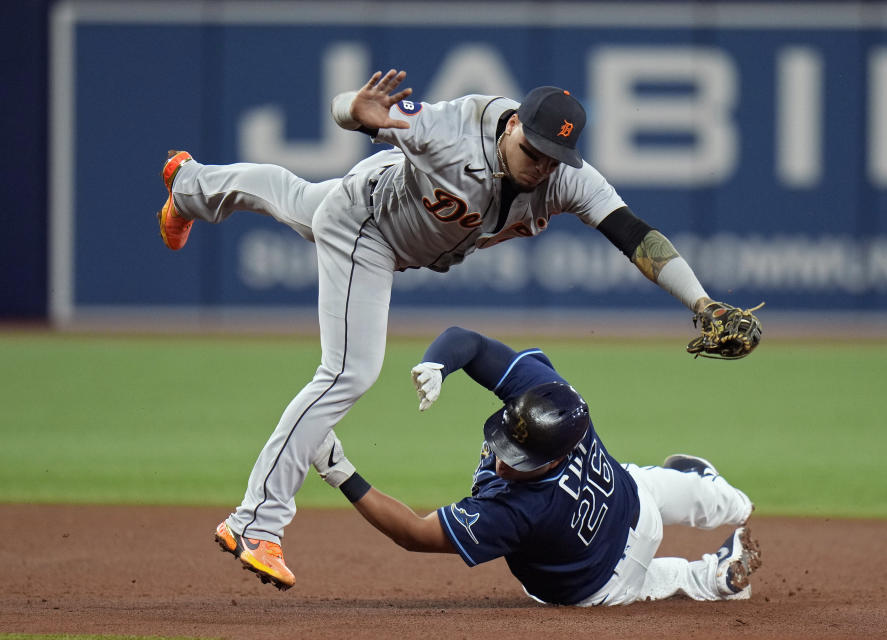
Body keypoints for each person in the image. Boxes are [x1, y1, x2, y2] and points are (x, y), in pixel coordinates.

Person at [157, 69, 746, 590]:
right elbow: (354, 110)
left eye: (552, 159)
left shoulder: (565, 179)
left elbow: (634, 234)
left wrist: (701, 302)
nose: (540, 166)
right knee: (347, 372)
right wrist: (353, 112)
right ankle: (256, 523)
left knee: (301, 202)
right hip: (369, 229)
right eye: (533, 149)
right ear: (513, 123)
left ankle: (189, 186)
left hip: (385, 218)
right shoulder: (452, 128)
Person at [313, 326, 761, 606]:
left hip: (597, 587)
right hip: (631, 500)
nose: (505, 465)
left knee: (661, 578)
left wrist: (341, 472)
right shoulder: (557, 400)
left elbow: (414, 533)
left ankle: (711, 576)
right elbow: (468, 342)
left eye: (520, 460)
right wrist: (436, 363)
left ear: (557, 456)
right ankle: (727, 502)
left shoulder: (517, 512)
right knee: (677, 488)